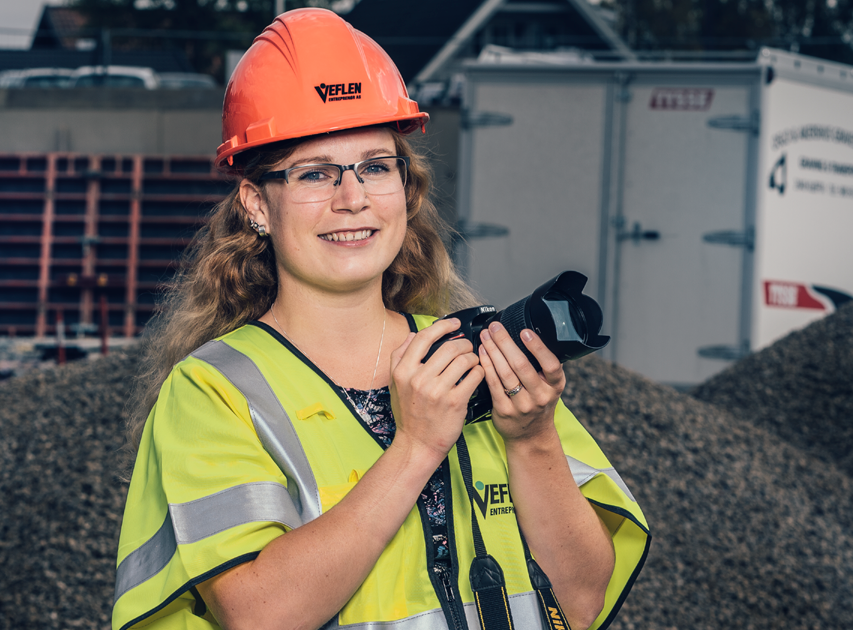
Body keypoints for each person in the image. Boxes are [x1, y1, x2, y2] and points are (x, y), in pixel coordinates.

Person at [112, 9, 649, 630]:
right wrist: (417, 445)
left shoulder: (464, 352)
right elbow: (262, 615)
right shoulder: (218, 392)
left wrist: (532, 438)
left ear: (405, 185)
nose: (353, 198)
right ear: (258, 203)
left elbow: (580, 602)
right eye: (315, 173)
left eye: (374, 166)